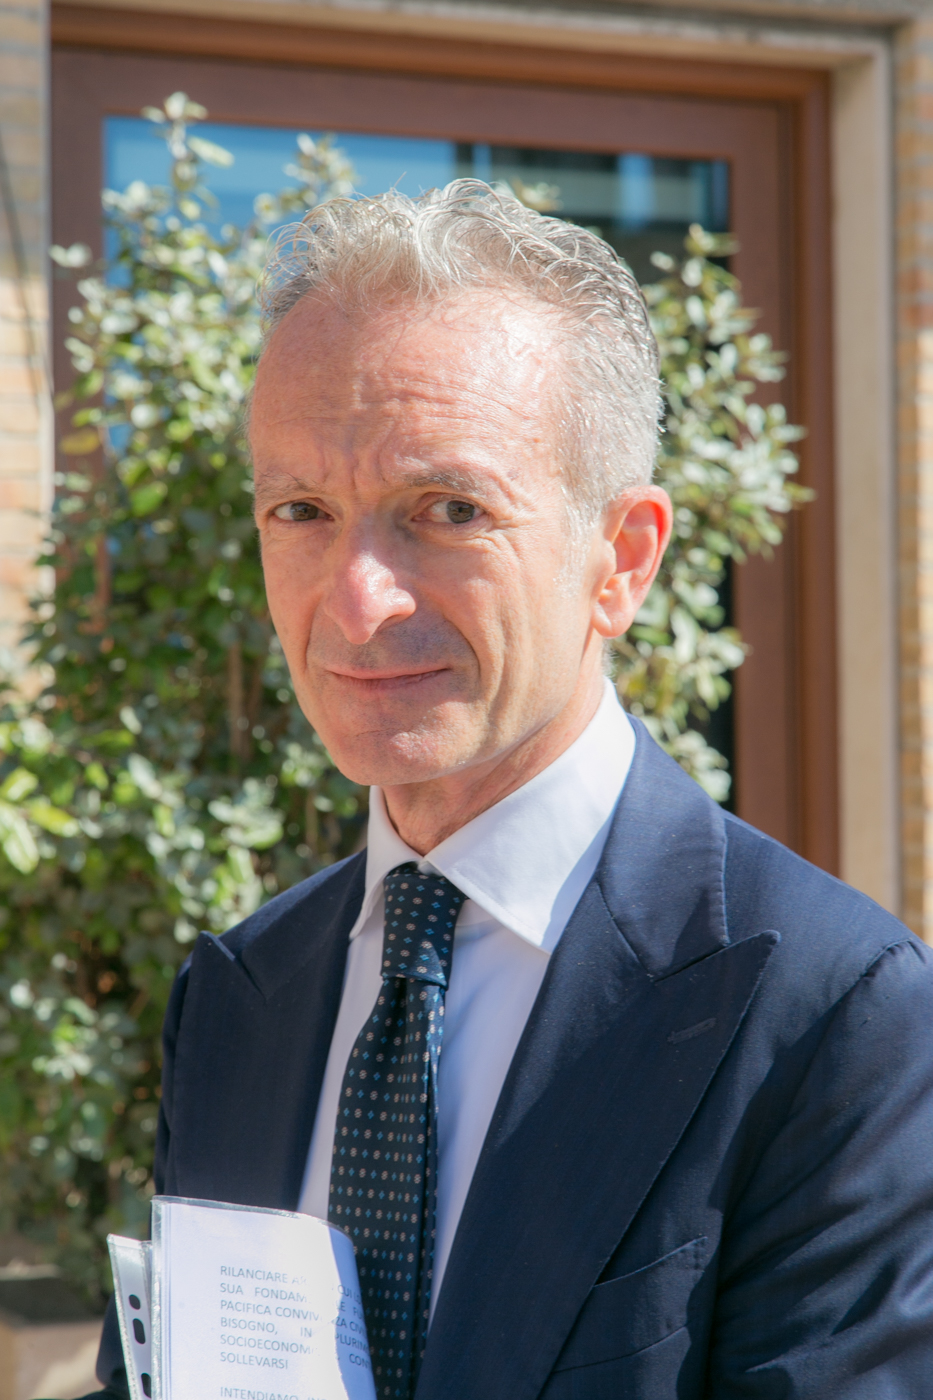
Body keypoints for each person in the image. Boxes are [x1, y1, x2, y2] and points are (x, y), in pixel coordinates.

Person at [87, 182, 933, 1399]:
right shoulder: (239, 994)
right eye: (302, 510)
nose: (357, 601)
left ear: (621, 559)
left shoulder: (828, 1013)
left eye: (448, 510)